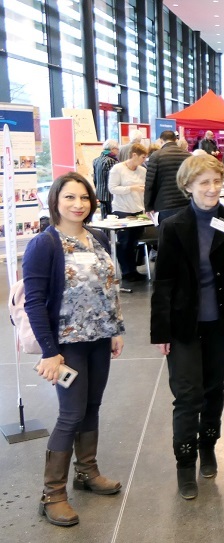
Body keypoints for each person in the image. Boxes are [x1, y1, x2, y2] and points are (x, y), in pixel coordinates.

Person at [150, 154, 224, 500]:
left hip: (221, 323)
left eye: (216, 181)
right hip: (183, 325)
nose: (212, 188)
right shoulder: (173, 225)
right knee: (187, 397)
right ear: (188, 186)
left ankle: (208, 445)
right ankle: (185, 462)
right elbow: (163, 282)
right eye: (204, 182)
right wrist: (161, 332)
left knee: (214, 390)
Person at [25, 172, 125, 527]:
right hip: (67, 346)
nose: (78, 204)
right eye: (69, 197)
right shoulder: (45, 244)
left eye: (84, 198)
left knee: (92, 406)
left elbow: (109, 286)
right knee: (71, 413)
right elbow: (34, 303)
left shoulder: (95, 237)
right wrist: (50, 353)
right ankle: (52, 493)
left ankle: (87, 471)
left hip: (98, 338)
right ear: (55, 201)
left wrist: (115, 328)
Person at [108, 142, 148, 283]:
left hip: (138, 209)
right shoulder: (117, 169)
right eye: (142, 157)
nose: (144, 160)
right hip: (122, 210)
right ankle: (126, 271)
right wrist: (131, 188)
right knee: (125, 242)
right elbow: (112, 189)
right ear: (134, 155)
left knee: (134, 242)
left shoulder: (142, 170)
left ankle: (133, 270)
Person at [144, 130, 191, 224]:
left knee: (166, 236)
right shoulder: (188, 156)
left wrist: (148, 207)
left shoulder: (156, 156)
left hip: (164, 204)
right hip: (186, 203)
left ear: (161, 140)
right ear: (175, 140)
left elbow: (150, 184)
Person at [92, 139, 119, 218]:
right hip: (109, 194)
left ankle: (105, 231)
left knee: (104, 217)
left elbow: (95, 178)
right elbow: (113, 179)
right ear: (112, 149)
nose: (118, 151)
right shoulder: (111, 161)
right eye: (117, 149)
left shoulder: (96, 160)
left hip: (100, 193)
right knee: (112, 218)